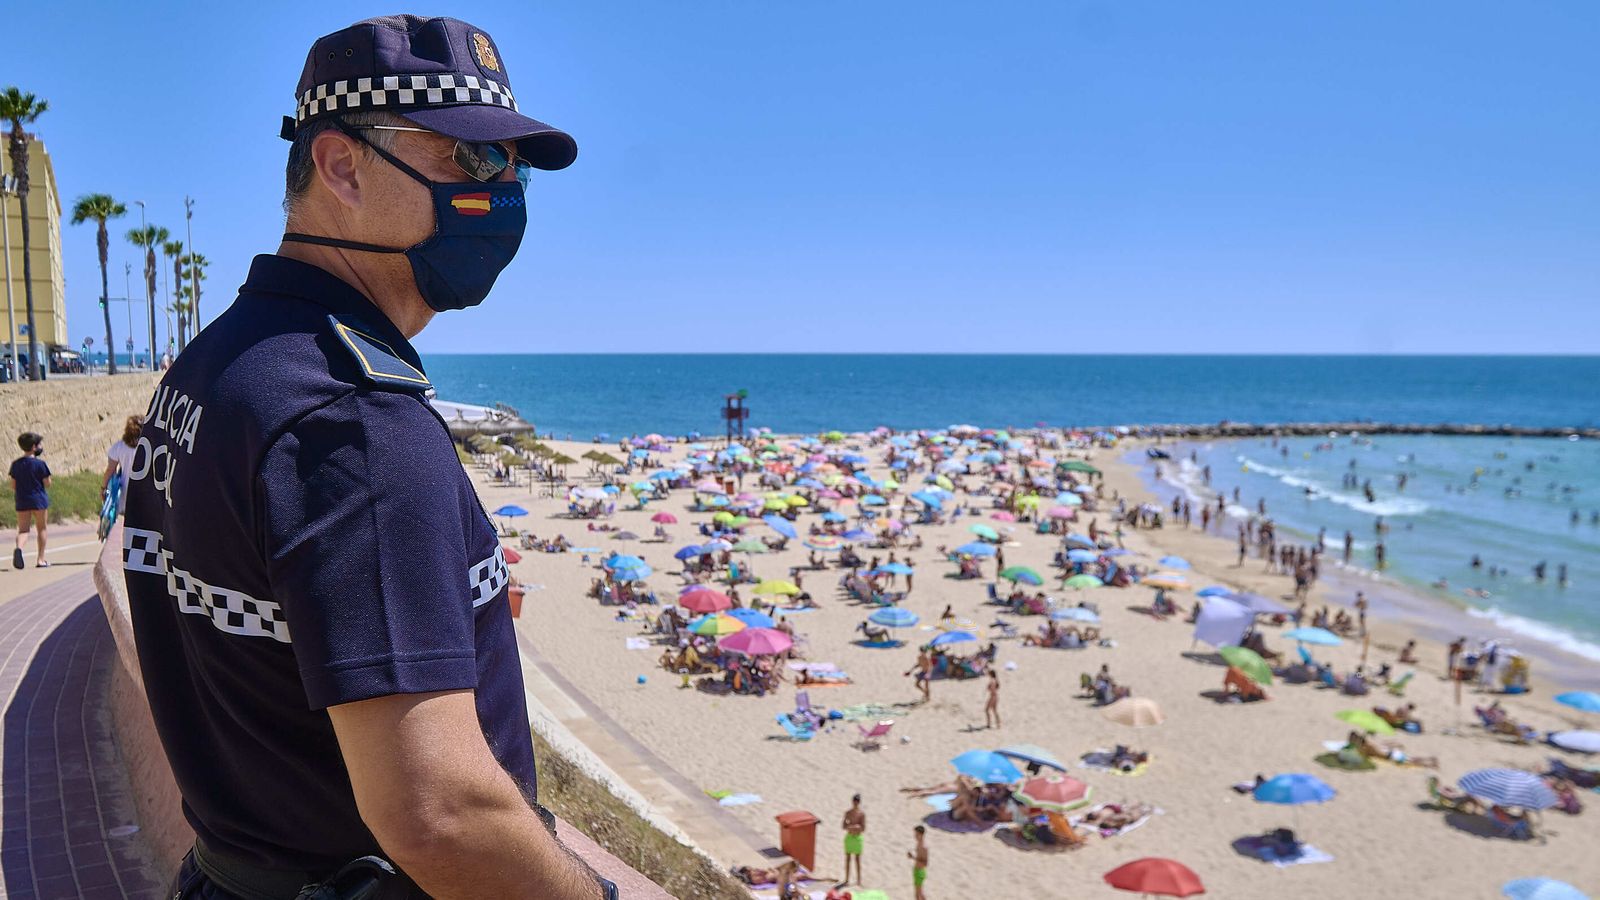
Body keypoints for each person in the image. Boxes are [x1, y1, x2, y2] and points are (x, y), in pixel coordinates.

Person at [120, 16, 612, 899]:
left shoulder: (224, 361)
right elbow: (438, 815)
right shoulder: (355, 419)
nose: (503, 192)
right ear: (342, 166)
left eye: (515, 167)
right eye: (472, 159)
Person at [9, 432, 51, 568]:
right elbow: (47, 483)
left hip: (22, 499)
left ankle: (19, 549)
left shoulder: (16, 464)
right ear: (33, 447)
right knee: (42, 528)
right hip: (39, 499)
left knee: (23, 530)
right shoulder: (40, 464)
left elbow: (13, 485)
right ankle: (40, 559)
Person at [101, 415, 144, 516]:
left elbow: (110, 470)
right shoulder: (148, 448)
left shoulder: (119, 447)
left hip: (125, 490)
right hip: (144, 492)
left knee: (128, 521)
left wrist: (103, 488)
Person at [840, 794, 866, 887]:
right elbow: (843, 826)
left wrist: (856, 827)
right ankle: (847, 879)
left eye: (857, 801)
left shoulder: (862, 814)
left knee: (857, 859)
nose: (855, 803)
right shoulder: (848, 813)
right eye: (854, 801)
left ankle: (859, 880)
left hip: (857, 838)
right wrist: (849, 826)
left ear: (859, 802)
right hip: (850, 837)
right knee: (848, 858)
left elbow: (863, 828)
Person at [908, 825, 928, 900]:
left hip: (920, 871)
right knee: (919, 894)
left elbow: (925, 863)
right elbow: (919, 857)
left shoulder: (924, 847)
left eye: (916, 834)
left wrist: (913, 857)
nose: (915, 836)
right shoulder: (919, 844)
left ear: (921, 834)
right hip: (917, 870)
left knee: (918, 894)